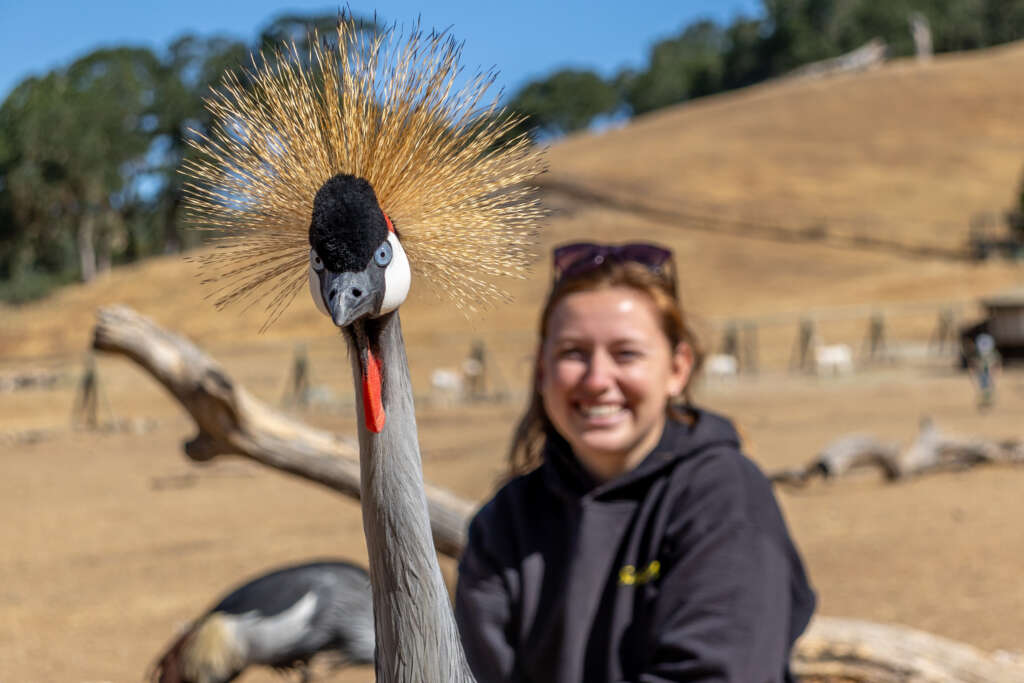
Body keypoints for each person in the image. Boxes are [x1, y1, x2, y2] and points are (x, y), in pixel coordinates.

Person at [455, 241, 815, 682]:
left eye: (626, 353)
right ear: (542, 371)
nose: (597, 380)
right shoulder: (506, 522)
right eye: (573, 353)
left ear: (678, 368)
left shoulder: (724, 495)